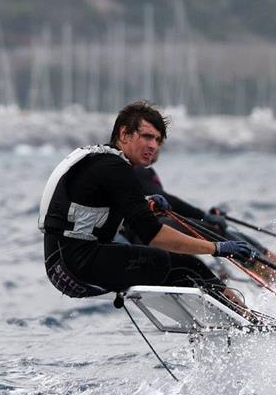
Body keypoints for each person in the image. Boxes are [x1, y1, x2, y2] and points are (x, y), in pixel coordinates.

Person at [39, 101, 255, 311]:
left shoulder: (101, 160)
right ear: (124, 134)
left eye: (158, 140)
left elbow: (96, 204)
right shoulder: (116, 168)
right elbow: (154, 235)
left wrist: (144, 204)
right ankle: (244, 321)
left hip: (62, 266)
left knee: (184, 266)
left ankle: (226, 321)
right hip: (76, 264)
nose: (153, 145)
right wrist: (215, 248)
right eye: (147, 136)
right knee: (176, 264)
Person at [132, 143, 276, 281]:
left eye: (158, 141)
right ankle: (273, 274)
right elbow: (167, 201)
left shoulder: (141, 171)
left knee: (221, 229)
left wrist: (207, 216)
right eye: (150, 140)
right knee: (214, 228)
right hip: (143, 241)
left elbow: (166, 206)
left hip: (144, 237)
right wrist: (204, 217)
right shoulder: (138, 170)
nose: (155, 146)